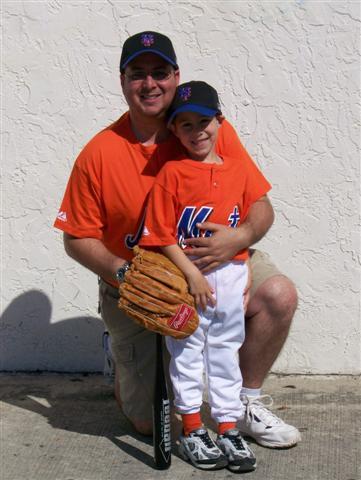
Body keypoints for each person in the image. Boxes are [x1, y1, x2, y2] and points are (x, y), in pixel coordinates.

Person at [54, 31, 300, 449]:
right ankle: (124, 361)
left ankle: (243, 403)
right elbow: (76, 237)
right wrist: (126, 273)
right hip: (141, 281)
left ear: (175, 76)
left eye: (159, 72)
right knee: (152, 425)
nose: (149, 83)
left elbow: (261, 206)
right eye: (138, 74)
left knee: (277, 294)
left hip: (216, 263)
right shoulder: (100, 153)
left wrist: (239, 237)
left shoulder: (206, 127)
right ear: (122, 80)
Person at [138, 80, 273, 471]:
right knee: (186, 352)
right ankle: (193, 427)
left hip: (230, 276)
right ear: (174, 131)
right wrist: (191, 277)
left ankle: (228, 425)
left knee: (226, 350)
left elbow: (256, 216)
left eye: (204, 121)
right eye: (185, 125)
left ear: (220, 121)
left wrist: (241, 255)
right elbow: (160, 235)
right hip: (186, 280)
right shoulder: (171, 173)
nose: (197, 131)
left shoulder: (239, 170)